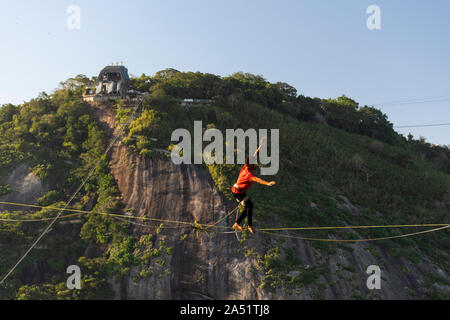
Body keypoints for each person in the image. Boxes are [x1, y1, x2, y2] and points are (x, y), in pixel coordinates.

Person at [231, 139, 276, 234]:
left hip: (239, 191)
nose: (256, 164)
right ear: (250, 165)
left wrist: (261, 146)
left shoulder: (246, 166)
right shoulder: (248, 174)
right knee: (250, 206)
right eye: (254, 164)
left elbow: (255, 154)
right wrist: (267, 183)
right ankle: (248, 226)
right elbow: (257, 180)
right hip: (238, 193)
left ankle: (238, 224)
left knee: (249, 206)